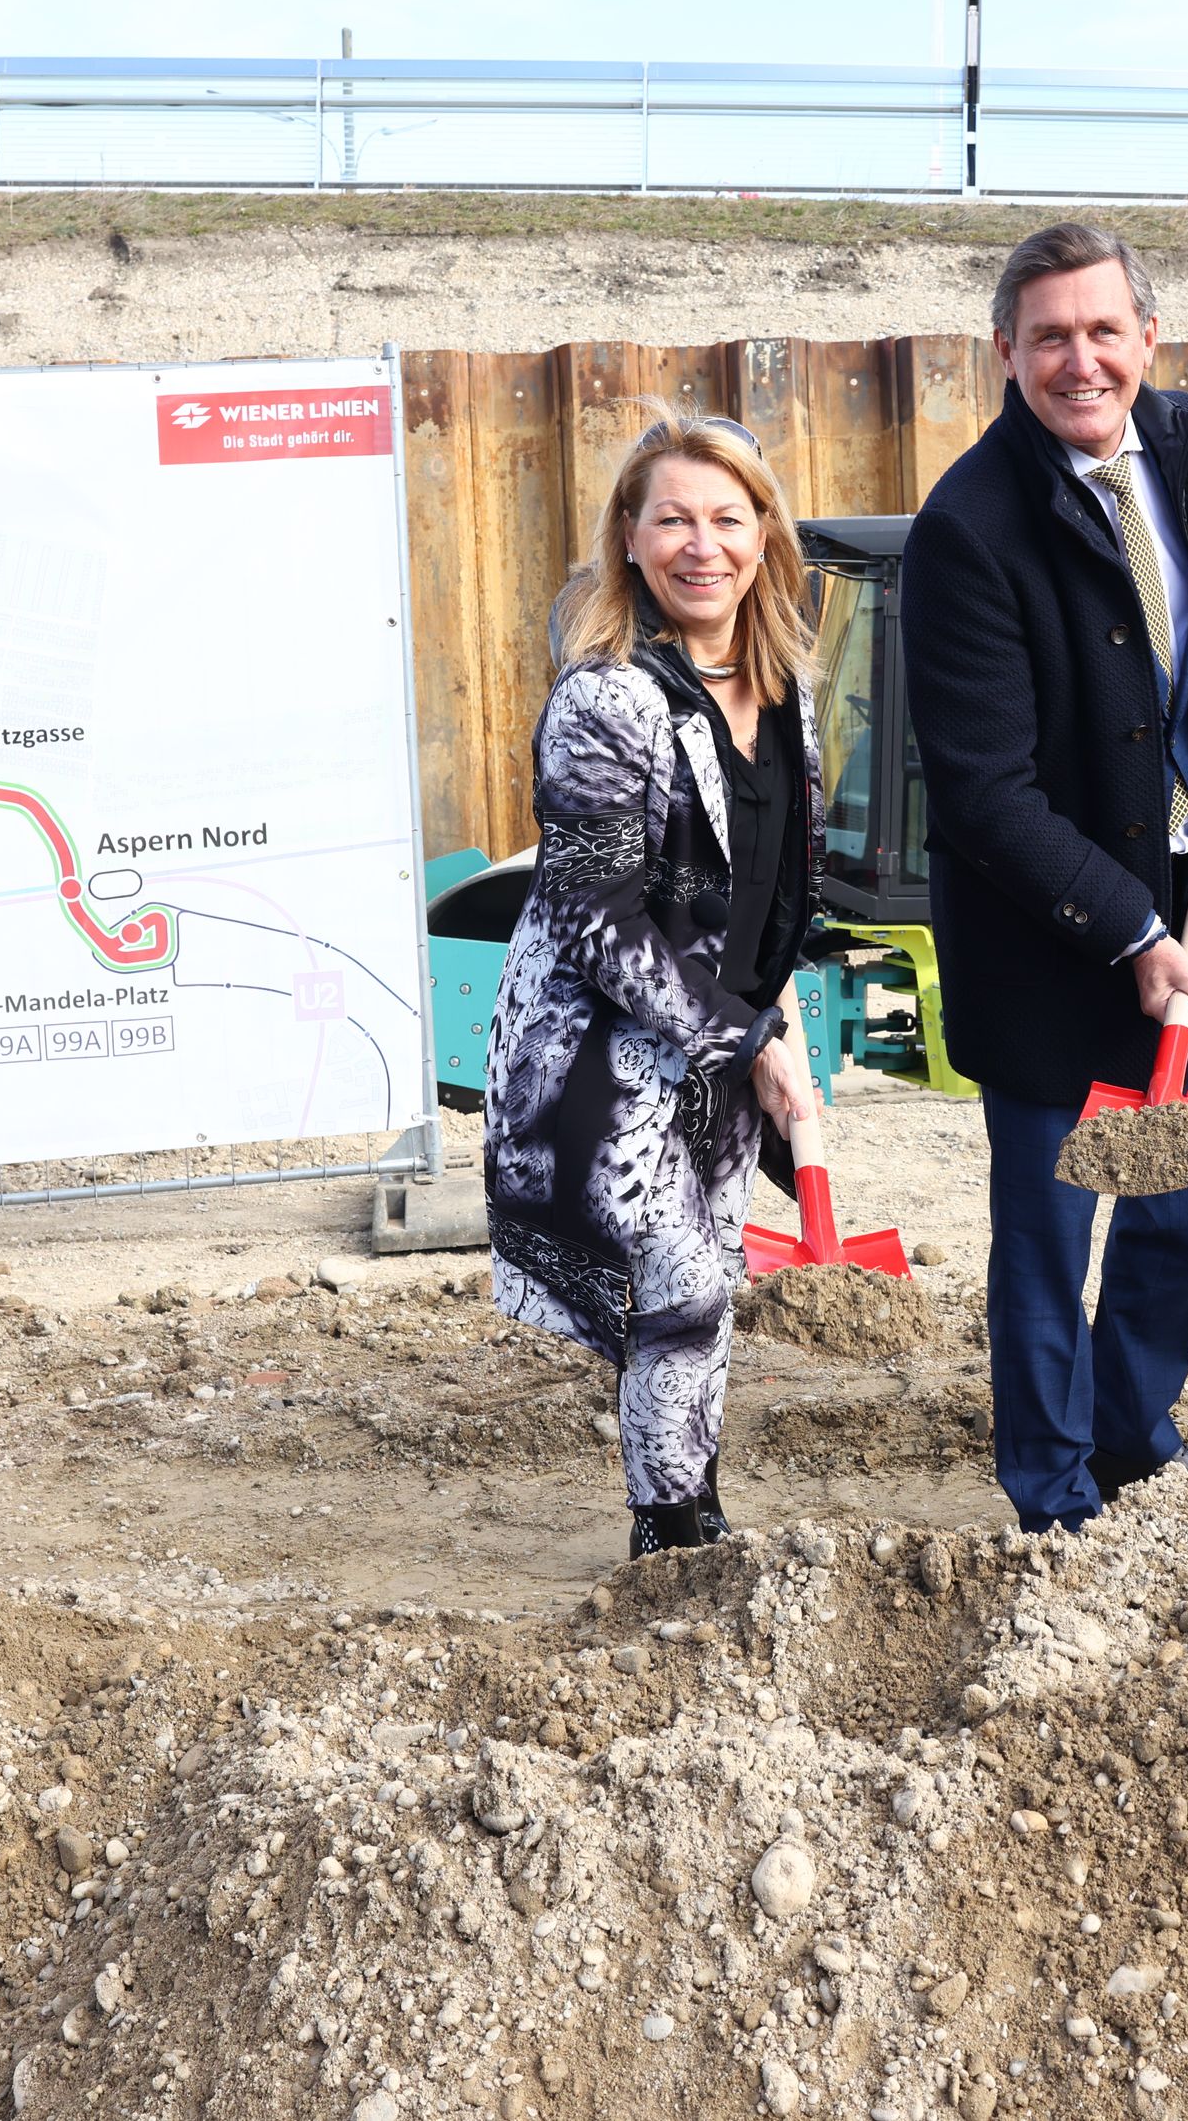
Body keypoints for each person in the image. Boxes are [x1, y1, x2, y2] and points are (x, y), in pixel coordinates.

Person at [903, 221, 1188, 1536]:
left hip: (1184, 890)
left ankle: (1134, 1438)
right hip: (1048, 927)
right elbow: (986, 792)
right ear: (1005, 349)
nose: (1080, 358)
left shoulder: (1187, 443)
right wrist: (1127, 931)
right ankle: (1053, 1496)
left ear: (1146, 339)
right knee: (1054, 1239)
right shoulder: (969, 528)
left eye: (1103, 330)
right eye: (1049, 335)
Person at [481, 412, 822, 1557]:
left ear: (764, 535)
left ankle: (695, 1510)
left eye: (728, 518)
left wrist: (777, 1023)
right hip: (602, 1056)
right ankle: (669, 1536)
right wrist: (748, 1034)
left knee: (707, 1287)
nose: (700, 543)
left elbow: (773, 887)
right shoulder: (608, 698)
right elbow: (594, 918)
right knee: (676, 1286)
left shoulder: (784, 695)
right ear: (627, 537)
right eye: (670, 517)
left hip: (717, 1046)